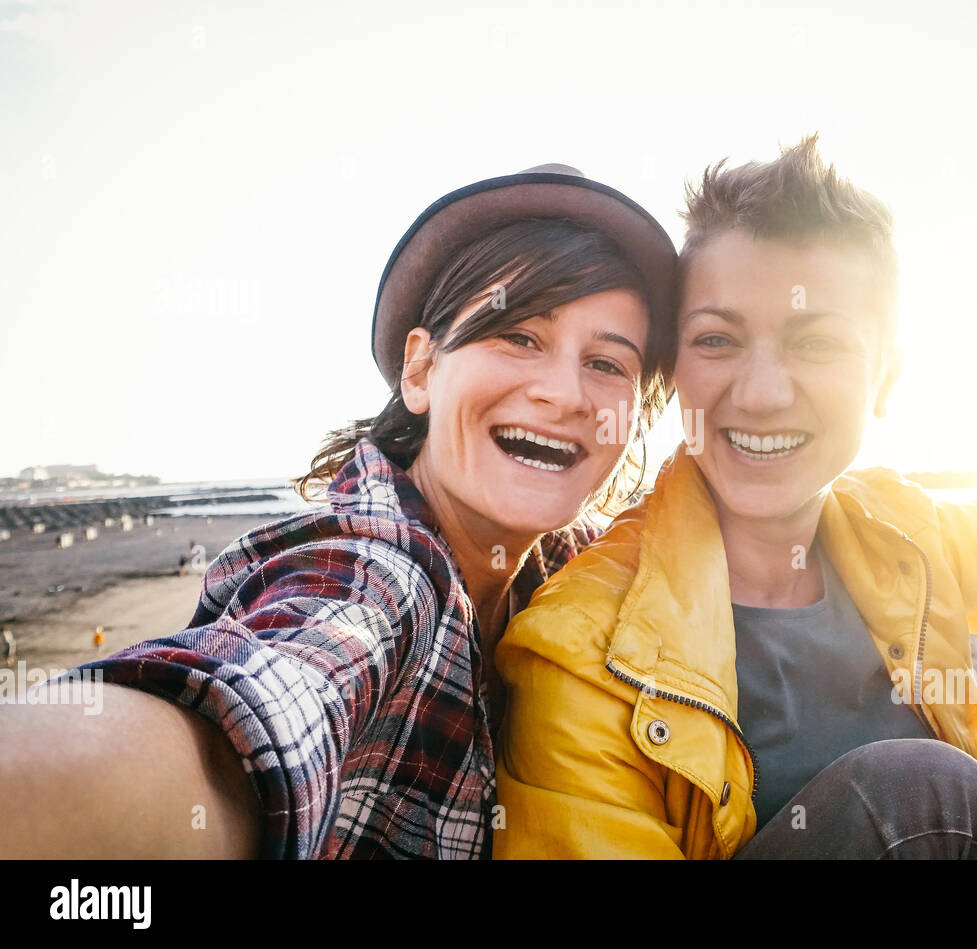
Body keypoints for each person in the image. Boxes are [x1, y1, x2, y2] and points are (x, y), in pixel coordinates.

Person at [492, 137, 977, 859]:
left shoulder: (905, 530)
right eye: (717, 338)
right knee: (912, 796)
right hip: (928, 827)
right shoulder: (580, 648)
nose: (764, 391)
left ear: (886, 377)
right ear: (675, 371)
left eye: (818, 343)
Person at [0, 164, 676, 859]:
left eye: (607, 363)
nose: (564, 393)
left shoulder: (573, 566)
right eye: (519, 337)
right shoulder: (379, 576)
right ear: (420, 370)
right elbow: (265, 703)